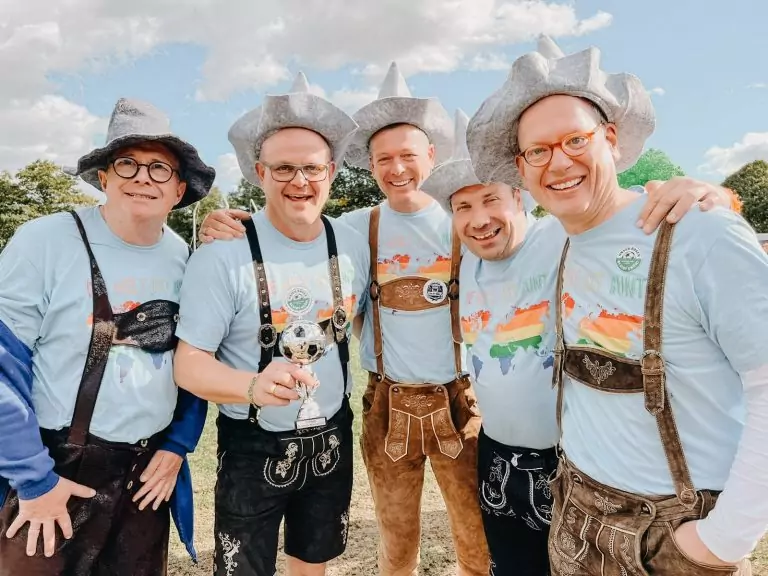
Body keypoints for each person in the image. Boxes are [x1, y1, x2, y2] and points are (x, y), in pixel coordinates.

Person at [467, 35, 768, 575]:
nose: (558, 161)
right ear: (522, 167)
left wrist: (723, 540)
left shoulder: (698, 231)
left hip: (675, 535)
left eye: (574, 140)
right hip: (576, 518)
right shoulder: (559, 243)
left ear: (610, 138)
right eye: (538, 151)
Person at [421, 92, 733, 576]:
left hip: (567, 465)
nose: (479, 219)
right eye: (463, 207)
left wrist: (706, 192)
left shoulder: (561, 234)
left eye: (490, 199)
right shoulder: (463, 260)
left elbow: (627, 206)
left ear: (519, 195)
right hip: (495, 452)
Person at [0, 98, 214, 575]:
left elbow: (195, 359)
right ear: (104, 177)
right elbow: (2, 365)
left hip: (144, 474)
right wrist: (34, 479)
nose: (143, 178)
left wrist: (177, 445)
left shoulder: (186, 258)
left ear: (179, 189)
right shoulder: (45, 242)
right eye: (127, 164)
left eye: (159, 168)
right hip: (54, 466)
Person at [172, 72, 370, 576]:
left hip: (333, 435)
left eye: (312, 168)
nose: (299, 182)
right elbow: (188, 364)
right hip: (251, 446)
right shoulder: (222, 254)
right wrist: (251, 386)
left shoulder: (352, 243)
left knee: (314, 562)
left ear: (331, 172)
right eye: (283, 168)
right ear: (259, 172)